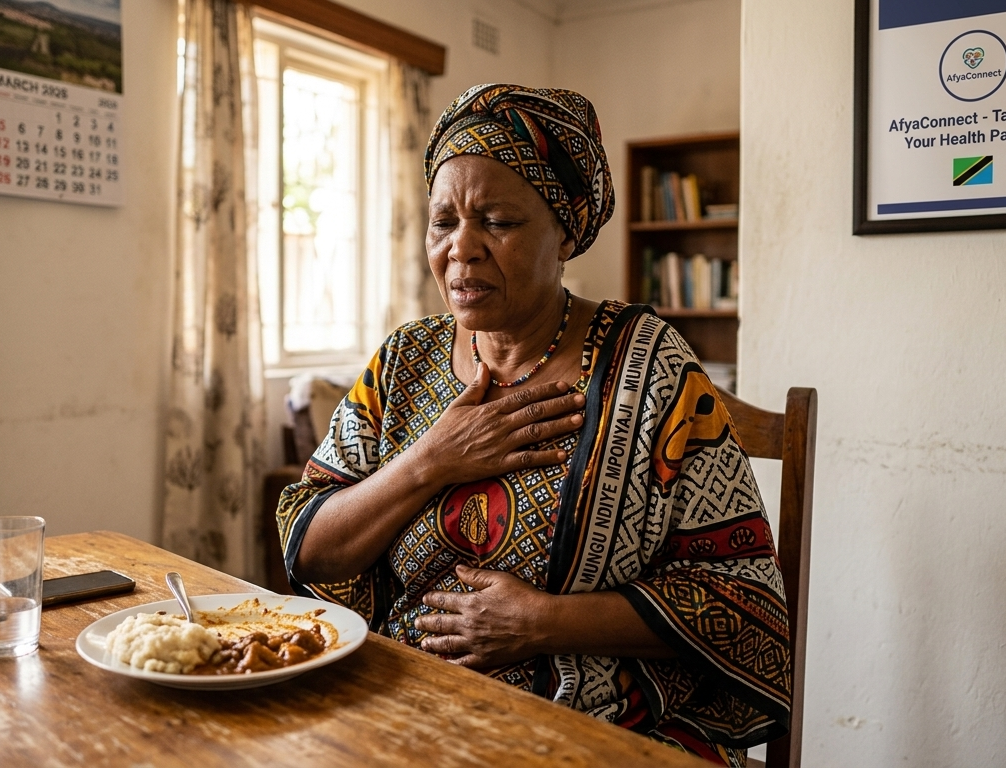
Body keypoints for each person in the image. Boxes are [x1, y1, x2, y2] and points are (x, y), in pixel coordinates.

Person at [277, 84, 790, 767]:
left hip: (597, 727)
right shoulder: (406, 359)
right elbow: (307, 544)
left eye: (497, 221)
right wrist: (432, 459)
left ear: (568, 230)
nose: (462, 249)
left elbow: (743, 603)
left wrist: (540, 623)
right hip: (403, 709)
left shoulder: (651, 368)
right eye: (443, 222)